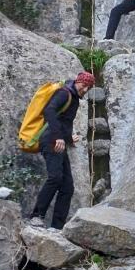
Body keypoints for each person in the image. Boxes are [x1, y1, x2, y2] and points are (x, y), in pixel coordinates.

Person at [30, 70, 96, 229]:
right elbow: (49, 111)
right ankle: (36, 216)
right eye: (84, 85)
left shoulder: (73, 97)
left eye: (89, 88)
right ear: (77, 81)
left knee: (67, 187)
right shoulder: (64, 93)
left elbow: (63, 121)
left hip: (59, 143)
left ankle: (57, 227)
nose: (85, 90)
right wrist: (59, 137)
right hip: (51, 141)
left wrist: (67, 138)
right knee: (55, 178)